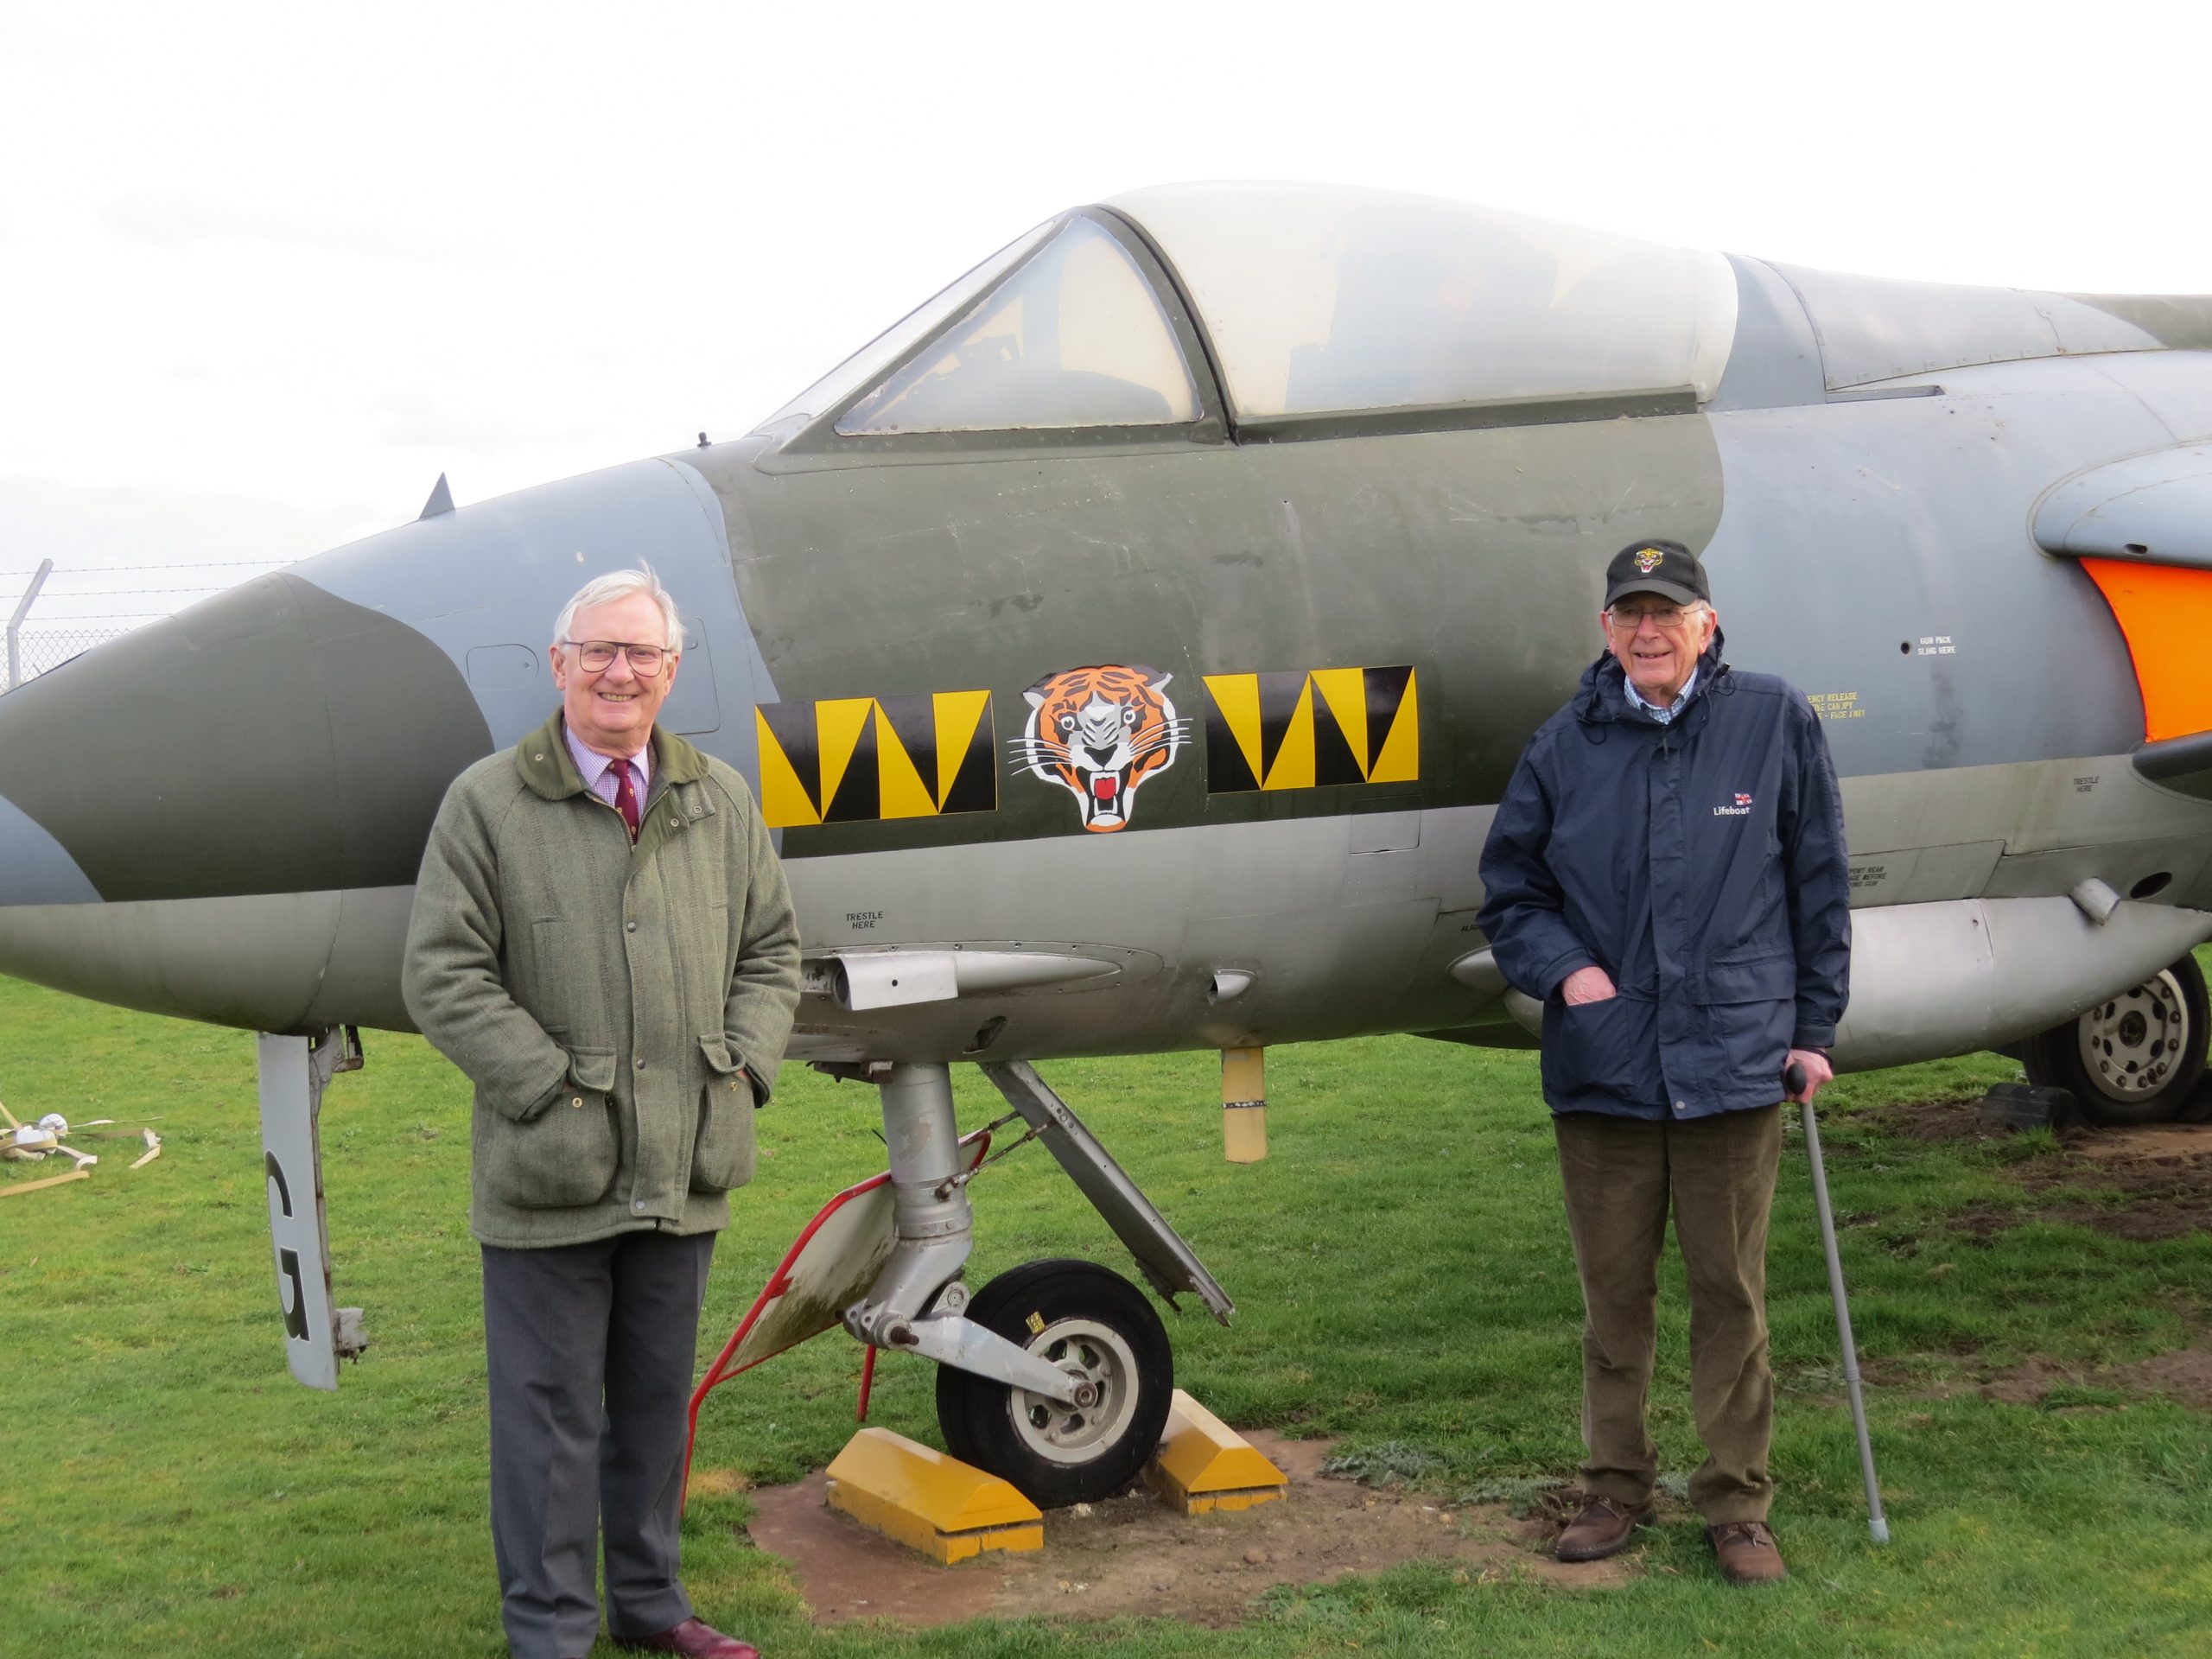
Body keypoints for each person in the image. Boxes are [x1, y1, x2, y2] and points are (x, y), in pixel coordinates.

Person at [404, 566, 801, 1659]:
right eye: (599, 652)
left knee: (651, 1406)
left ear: (671, 672)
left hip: (686, 1162)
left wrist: (740, 1068)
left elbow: (772, 953)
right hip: (552, 1171)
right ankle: (550, 1633)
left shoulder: (718, 800)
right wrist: (547, 1089)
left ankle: (651, 1606)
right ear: (561, 667)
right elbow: (443, 973)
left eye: (641, 654)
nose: (619, 671)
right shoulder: (486, 804)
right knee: (548, 1420)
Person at [1475, 539, 1850, 1586]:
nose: (1648, 631)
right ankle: (1612, 1487)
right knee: (1615, 1294)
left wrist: (1813, 1030)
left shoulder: (1773, 721)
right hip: (1607, 1068)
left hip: (1736, 1062)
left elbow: (1817, 886)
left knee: (1731, 1291)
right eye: (1629, 614)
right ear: (1606, 631)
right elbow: (1510, 895)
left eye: (1667, 613)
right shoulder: (1563, 745)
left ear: (1707, 623)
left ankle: (1736, 1504)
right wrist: (1566, 973)